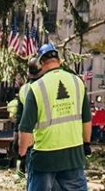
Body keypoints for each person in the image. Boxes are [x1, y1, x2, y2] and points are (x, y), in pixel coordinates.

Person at [18, 43, 92, 191]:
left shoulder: (36, 88)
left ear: (41, 63)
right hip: (73, 155)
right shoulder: (77, 82)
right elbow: (86, 120)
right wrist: (86, 144)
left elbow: (25, 129)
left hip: (45, 158)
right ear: (59, 61)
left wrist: (22, 155)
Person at [15, 56, 42, 180]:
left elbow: (19, 116)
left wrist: (17, 135)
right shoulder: (44, 86)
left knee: (32, 173)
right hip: (44, 136)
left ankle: (21, 171)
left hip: (29, 136)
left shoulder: (23, 89)